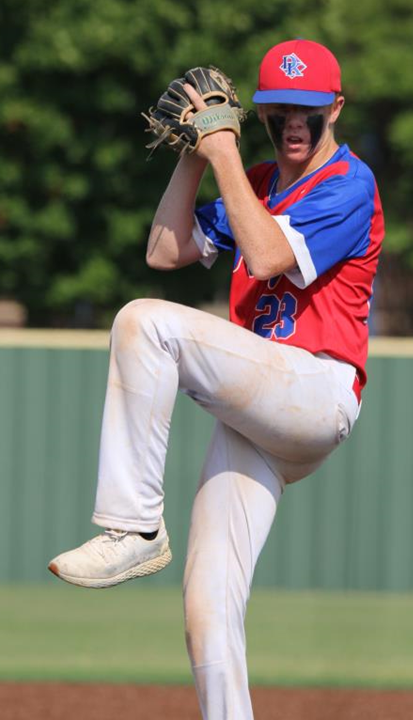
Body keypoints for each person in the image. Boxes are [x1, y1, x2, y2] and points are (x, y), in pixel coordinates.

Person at [49, 38, 384, 719]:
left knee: (145, 322)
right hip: (258, 412)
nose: (293, 122)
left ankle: (135, 528)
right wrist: (194, 154)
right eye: (279, 110)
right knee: (208, 606)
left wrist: (224, 150)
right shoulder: (252, 180)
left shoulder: (351, 183)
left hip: (317, 391)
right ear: (260, 112)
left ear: (336, 109)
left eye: (308, 109)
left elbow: (264, 256)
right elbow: (163, 249)